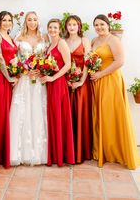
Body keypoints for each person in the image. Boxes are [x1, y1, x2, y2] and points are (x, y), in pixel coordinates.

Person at [91, 14, 140, 169]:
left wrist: (100, 74)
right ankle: (103, 150)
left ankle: (116, 151)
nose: (99, 27)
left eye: (102, 24)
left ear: (108, 25)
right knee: (101, 115)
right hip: (97, 82)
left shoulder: (114, 40)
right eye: (96, 25)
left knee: (111, 114)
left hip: (110, 80)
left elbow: (120, 61)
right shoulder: (94, 41)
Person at [10, 11, 48, 165]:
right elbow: (14, 58)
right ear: (25, 22)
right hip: (25, 80)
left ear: (38, 21)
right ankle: (20, 153)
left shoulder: (44, 37)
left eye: (34, 19)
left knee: (37, 111)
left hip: (38, 79)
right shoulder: (19, 37)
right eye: (29, 20)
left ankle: (38, 152)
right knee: (22, 112)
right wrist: (24, 70)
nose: (32, 22)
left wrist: (42, 69)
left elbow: (47, 57)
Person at [41, 19, 75, 166]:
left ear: (60, 29)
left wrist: (53, 77)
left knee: (58, 116)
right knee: (52, 116)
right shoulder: (50, 45)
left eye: (55, 27)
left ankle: (61, 154)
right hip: (50, 84)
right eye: (50, 27)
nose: (53, 30)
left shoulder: (62, 43)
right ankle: (54, 153)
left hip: (58, 83)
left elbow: (67, 65)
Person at [0, 11, 18, 168]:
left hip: (11, 78)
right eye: (4, 20)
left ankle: (6, 151)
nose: (7, 22)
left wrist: (17, 73)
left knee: (9, 114)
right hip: (1, 79)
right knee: (1, 114)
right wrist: (8, 77)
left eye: (9, 20)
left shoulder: (10, 37)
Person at [64, 15, 92, 163]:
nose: (72, 27)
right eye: (69, 25)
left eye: (75, 24)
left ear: (79, 26)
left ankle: (81, 151)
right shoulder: (63, 41)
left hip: (82, 82)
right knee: (67, 115)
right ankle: (68, 150)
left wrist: (81, 81)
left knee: (81, 114)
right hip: (66, 83)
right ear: (66, 27)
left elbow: (88, 61)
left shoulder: (85, 40)